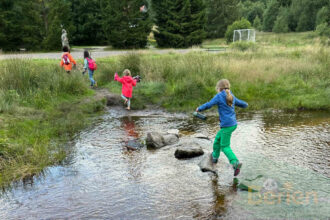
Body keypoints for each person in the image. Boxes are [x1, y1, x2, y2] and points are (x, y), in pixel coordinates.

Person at [196, 79, 248, 176]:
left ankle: (235, 163)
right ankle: (215, 157)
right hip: (232, 124)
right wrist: (245, 105)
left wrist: (199, 108)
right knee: (217, 139)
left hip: (227, 125)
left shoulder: (219, 96)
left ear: (219, 88)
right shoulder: (230, 95)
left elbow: (209, 104)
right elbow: (241, 103)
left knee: (225, 146)